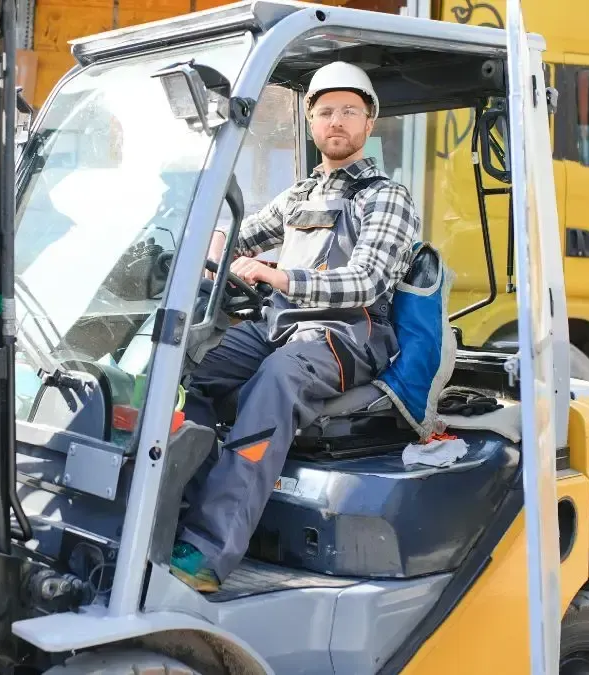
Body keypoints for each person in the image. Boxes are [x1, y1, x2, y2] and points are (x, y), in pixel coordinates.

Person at [170, 61, 423, 592]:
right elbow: (241, 237)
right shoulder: (299, 196)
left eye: (349, 112)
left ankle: (209, 551)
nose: (337, 121)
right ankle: (179, 511)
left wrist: (280, 275)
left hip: (345, 336)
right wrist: (204, 248)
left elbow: (367, 281)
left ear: (368, 124)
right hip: (280, 324)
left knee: (275, 383)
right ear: (311, 123)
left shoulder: (385, 197)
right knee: (196, 371)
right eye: (326, 111)